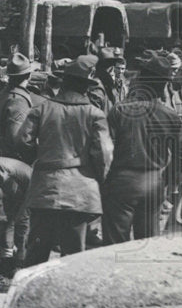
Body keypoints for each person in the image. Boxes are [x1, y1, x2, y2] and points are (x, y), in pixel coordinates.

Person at [17, 55, 113, 266]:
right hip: (80, 189)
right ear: (86, 87)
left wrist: (42, 157)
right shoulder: (94, 114)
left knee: (36, 250)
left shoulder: (41, 109)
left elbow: (23, 140)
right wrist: (99, 179)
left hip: (45, 185)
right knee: (73, 255)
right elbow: (104, 156)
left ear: (65, 81)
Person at [101, 52, 182, 246]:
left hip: (121, 181)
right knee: (147, 244)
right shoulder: (171, 115)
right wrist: (166, 182)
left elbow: (104, 150)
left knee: (115, 246)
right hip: (154, 182)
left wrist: (104, 181)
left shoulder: (119, 111)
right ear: (164, 84)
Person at [0, 53, 38, 160]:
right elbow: (16, 138)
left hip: (1, 153)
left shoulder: (5, 93)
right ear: (29, 75)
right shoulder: (18, 100)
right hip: (12, 158)